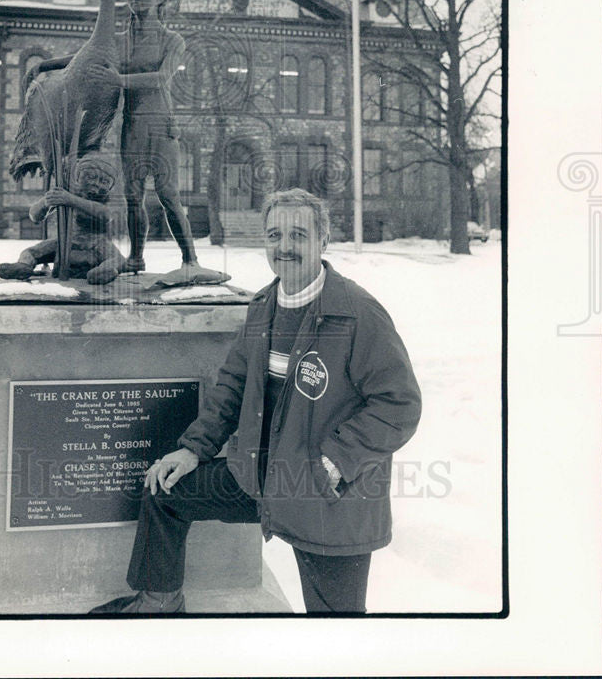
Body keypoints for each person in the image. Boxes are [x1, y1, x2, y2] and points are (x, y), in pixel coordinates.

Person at [90, 188, 422, 614]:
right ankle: (158, 602)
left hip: (327, 497)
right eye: (274, 236)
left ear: (323, 241)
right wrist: (194, 449)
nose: (284, 247)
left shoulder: (357, 313)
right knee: (165, 489)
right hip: (258, 482)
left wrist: (336, 460)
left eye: (298, 235)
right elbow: (232, 385)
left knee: (337, 632)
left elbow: (399, 404)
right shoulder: (263, 306)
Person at [88, 0, 200, 274]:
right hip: (132, 124)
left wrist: (119, 80)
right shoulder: (118, 39)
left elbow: (161, 78)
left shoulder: (172, 40)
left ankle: (190, 260)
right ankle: (136, 257)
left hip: (161, 124)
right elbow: (88, 58)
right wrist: (46, 66)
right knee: (133, 197)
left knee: (167, 194)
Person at [0, 151, 128, 285]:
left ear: (110, 186)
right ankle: (23, 266)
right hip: (66, 241)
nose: (97, 184)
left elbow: (105, 214)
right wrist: (46, 202)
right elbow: (34, 216)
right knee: (30, 252)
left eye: (104, 181)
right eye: (90, 177)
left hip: (96, 242)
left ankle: (102, 272)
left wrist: (70, 199)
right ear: (78, 176)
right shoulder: (66, 193)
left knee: (118, 259)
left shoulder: (105, 199)